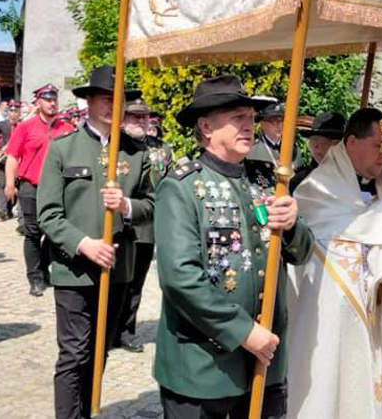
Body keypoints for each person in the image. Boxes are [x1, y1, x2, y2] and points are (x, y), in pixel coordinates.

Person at [153, 75, 313, 418]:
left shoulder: (266, 180)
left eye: (251, 118)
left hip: (263, 362)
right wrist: (242, 331)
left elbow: (302, 253)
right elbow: (180, 278)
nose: (248, 126)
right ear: (206, 127)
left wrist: (291, 225)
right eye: (237, 118)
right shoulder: (182, 187)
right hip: (201, 366)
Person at [287, 108, 382, 419]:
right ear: (351, 142)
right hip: (330, 321)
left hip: (380, 324)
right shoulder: (317, 192)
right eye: (378, 145)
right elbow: (307, 260)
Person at [36, 66, 153, 419]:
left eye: (119, 101)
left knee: (101, 349)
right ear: (88, 101)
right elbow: (49, 214)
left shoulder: (136, 152)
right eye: (105, 98)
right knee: (74, 353)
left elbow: (152, 204)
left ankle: (87, 411)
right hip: (74, 269)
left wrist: (127, 205)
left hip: (118, 270)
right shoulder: (63, 149)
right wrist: (83, 243)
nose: (112, 107)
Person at [113, 97, 174, 353]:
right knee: (116, 280)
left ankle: (126, 330)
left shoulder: (161, 149)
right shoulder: (114, 147)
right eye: (135, 116)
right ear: (123, 118)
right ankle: (108, 328)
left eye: (144, 116)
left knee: (135, 282)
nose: (141, 120)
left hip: (146, 225)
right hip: (118, 222)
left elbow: (168, 184)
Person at [4, 84, 75, 296]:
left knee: (54, 233)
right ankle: (35, 277)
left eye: (54, 99)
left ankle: (45, 269)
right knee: (33, 234)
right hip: (30, 186)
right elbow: (12, 156)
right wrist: (9, 184)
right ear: (38, 102)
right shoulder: (26, 127)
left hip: (58, 188)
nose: (52, 103)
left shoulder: (67, 128)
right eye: (47, 99)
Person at [289, 111, 345, 193]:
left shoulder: (356, 179)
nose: (316, 146)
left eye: (325, 140)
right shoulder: (299, 181)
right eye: (313, 139)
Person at [0, 99, 22, 220]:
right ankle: (3, 211)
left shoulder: (22, 126)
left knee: (13, 186)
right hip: (3, 159)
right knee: (2, 184)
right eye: (11, 110)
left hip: (16, 161)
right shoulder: (2, 124)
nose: (13, 113)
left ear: (19, 113)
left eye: (16, 111)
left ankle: (9, 208)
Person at [247, 101, 301, 169]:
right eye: (273, 121)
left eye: (281, 120)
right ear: (263, 124)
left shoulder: (294, 149)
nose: (279, 125)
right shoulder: (252, 151)